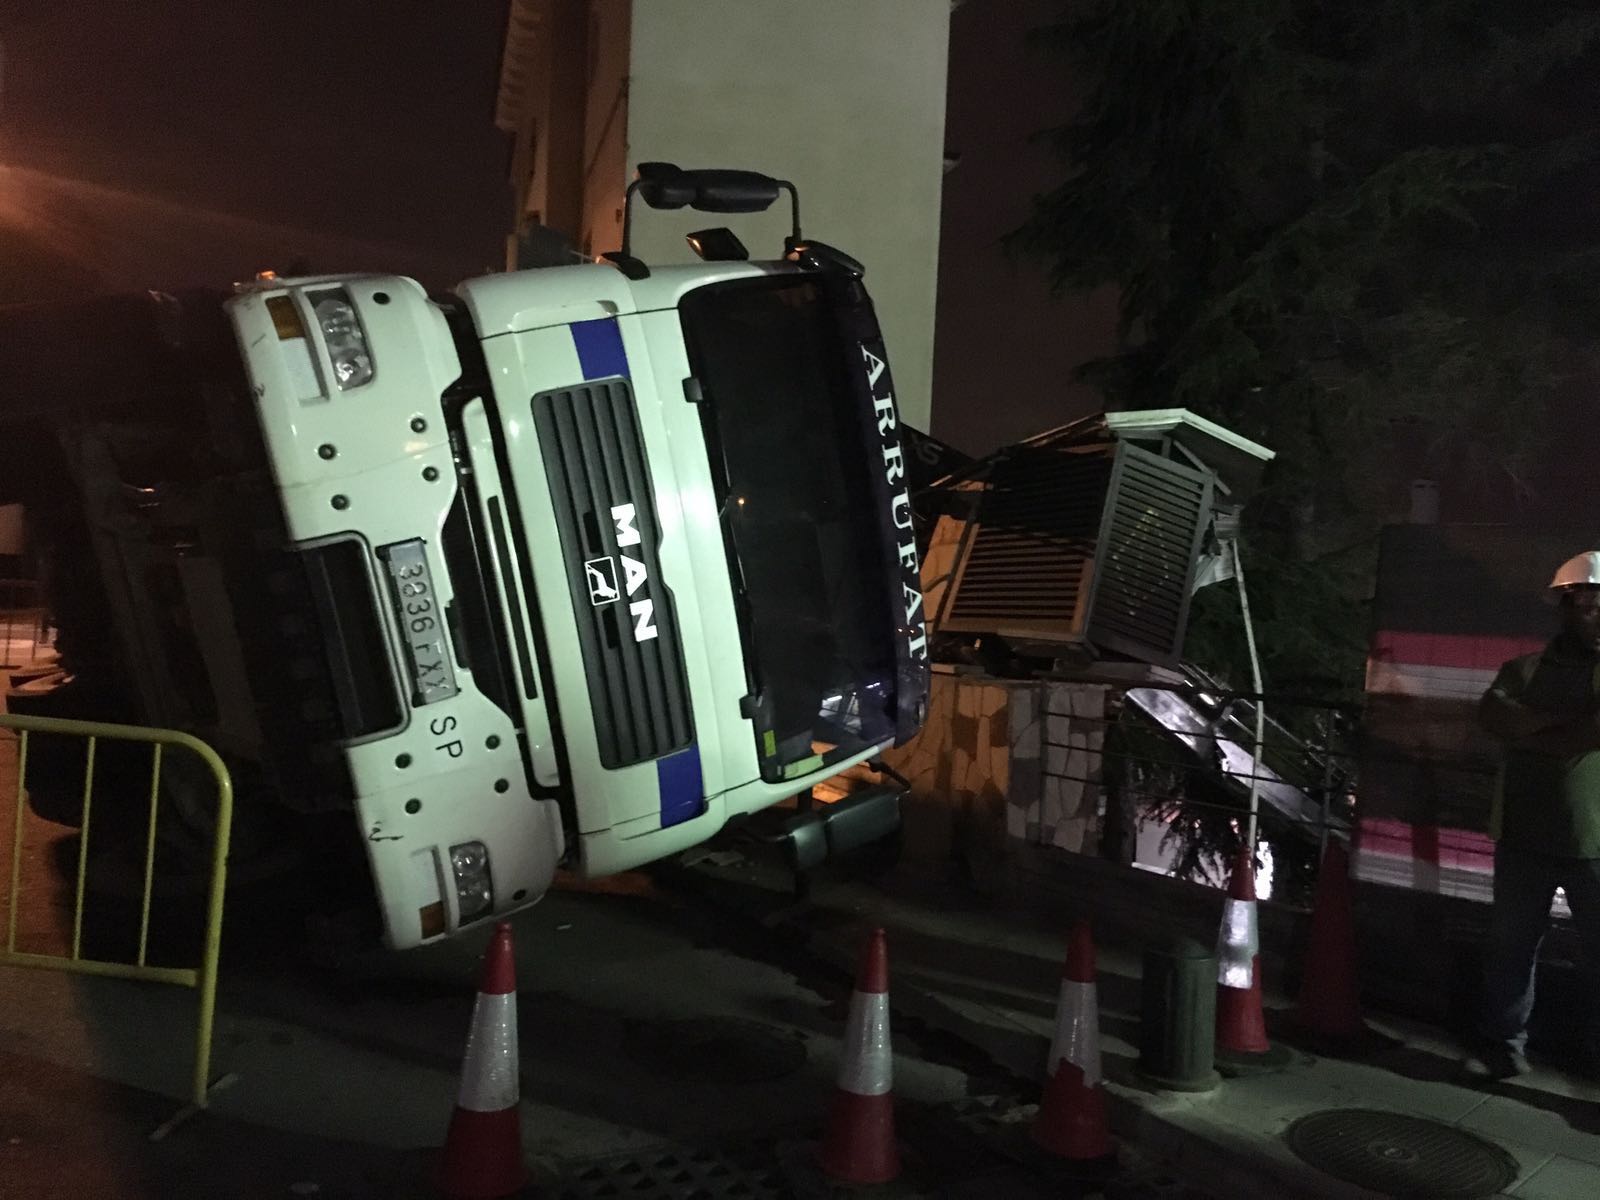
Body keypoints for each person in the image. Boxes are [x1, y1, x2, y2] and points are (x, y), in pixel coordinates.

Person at [1469, 550, 1600, 1079]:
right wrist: (1566, 730)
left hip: (1595, 843)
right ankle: (1502, 1047)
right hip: (1522, 837)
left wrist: (1533, 728)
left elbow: (1587, 734)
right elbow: (1492, 716)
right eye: (1585, 600)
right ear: (1564, 604)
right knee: (1510, 949)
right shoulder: (1521, 668)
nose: (1594, 610)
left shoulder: (1525, 679)